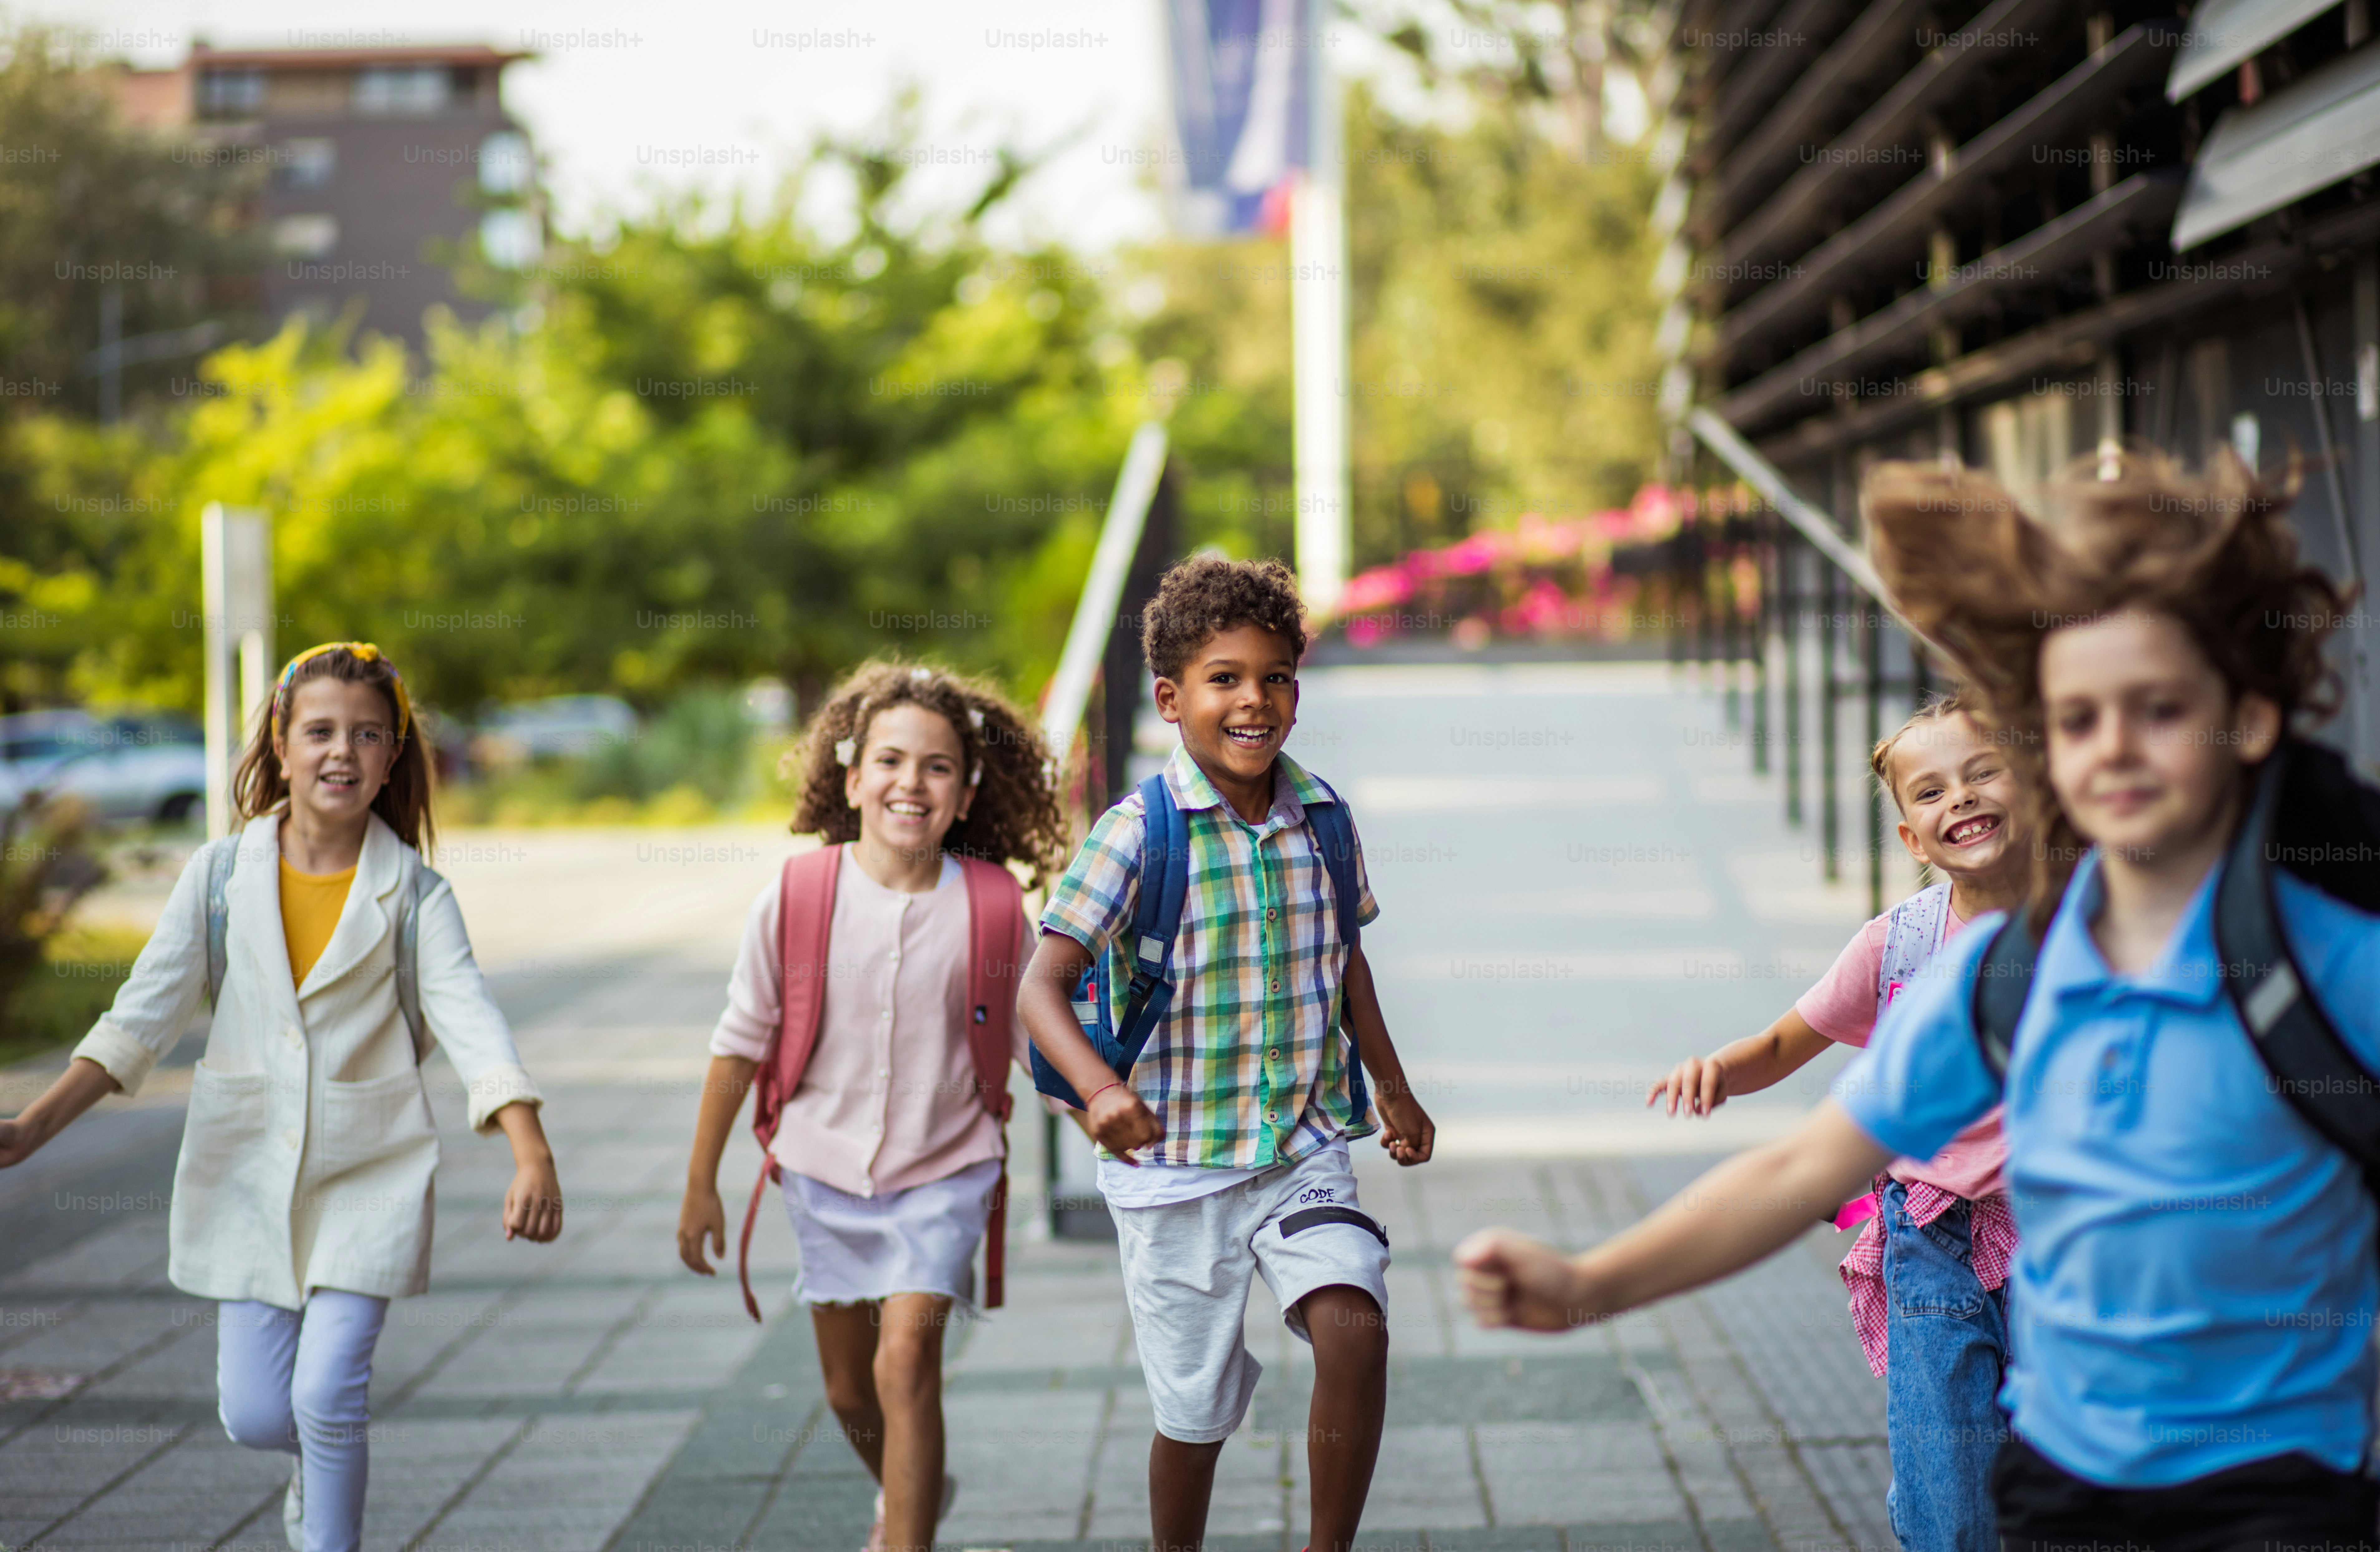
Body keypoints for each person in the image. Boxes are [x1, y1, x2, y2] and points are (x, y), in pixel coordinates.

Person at [1455, 451, 2380, 1552]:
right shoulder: (2005, 976)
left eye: (2162, 709)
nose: (2117, 745)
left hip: (2279, 1502)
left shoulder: (2333, 969)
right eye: (2079, 718)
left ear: (2252, 722)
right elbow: (1802, 1170)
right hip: (2061, 1495)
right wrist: (1588, 1282)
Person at [0, 643, 562, 1552]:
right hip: (246, 1179)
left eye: (368, 734)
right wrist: (33, 1126)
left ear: (393, 757)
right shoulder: (219, 878)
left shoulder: (417, 897)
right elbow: (138, 1021)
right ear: (282, 741)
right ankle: (313, 1470)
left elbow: (473, 1022)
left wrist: (528, 1148)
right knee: (260, 1415)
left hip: (369, 1175)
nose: (343, 751)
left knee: (329, 1391)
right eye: (322, 732)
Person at [1019, 555, 1436, 1552]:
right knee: (1195, 1412)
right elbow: (1036, 986)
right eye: (1225, 679)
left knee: (1356, 1329)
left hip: (1300, 1150)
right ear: (1170, 699)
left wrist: (1394, 1084)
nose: (1256, 699)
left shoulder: (1324, 821)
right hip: (1173, 1171)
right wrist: (1100, 1088)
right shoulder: (1135, 836)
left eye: (1277, 676)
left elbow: (1346, 964)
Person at [676, 662, 1069, 1552]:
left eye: (937, 767)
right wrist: (701, 1182)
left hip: (948, 1170)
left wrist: (1110, 1120)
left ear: (967, 794)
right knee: (850, 1392)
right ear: (851, 779)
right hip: (822, 1172)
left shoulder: (995, 906)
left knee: (906, 1362)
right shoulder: (799, 894)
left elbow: (1039, 1046)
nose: (911, 783)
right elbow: (739, 1042)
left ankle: (907, 1537)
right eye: (890, 761)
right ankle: (914, 1492)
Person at [1648, 693, 2025, 1552]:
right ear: (1911, 841)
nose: (1958, 799)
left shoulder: (2096, 924)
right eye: (1929, 794)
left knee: (2064, 1480)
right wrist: (1722, 1072)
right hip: (1933, 1241)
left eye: (1983, 773)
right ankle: (1932, 1504)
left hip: (2065, 1234)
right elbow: (1787, 1041)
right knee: (1954, 1495)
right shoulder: (1898, 944)